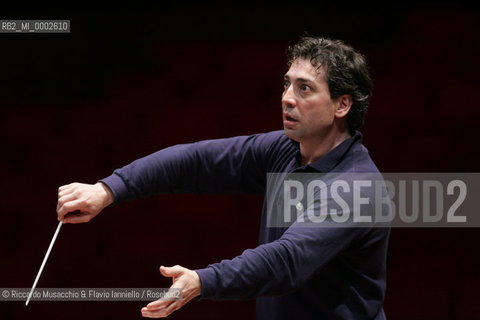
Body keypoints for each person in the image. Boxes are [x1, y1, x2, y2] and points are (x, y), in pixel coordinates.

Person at [56, 36, 389, 319]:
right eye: (287, 84)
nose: (287, 97)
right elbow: (196, 161)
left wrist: (203, 280)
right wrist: (110, 188)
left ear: (341, 105)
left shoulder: (356, 187)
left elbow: (287, 260)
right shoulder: (285, 150)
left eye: (305, 89)